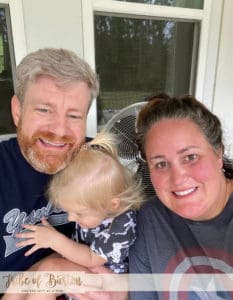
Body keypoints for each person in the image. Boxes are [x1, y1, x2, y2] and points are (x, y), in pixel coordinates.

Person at [9, 131, 143, 300]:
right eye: (69, 211)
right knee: (29, 282)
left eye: (79, 213)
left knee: (47, 275)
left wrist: (54, 240)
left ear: (112, 204)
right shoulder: (97, 210)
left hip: (104, 283)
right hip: (82, 273)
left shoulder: (123, 224)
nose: (71, 219)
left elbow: (92, 258)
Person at [129, 94, 233, 299]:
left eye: (190, 157)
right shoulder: (150, 220)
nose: (177, 179)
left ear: (218, 153)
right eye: (160, 164)